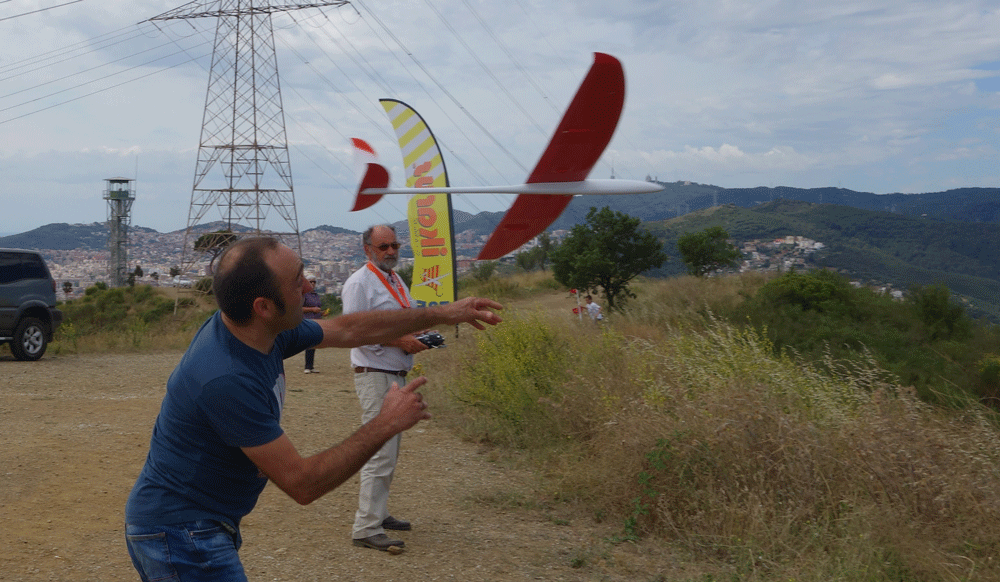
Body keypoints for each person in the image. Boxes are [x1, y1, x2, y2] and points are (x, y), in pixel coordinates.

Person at [124, 236, 502, 581]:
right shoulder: (225, 378)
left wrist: (443, 313)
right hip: (181, 531)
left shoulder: (257, 330)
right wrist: (385, 423)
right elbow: (302, 483)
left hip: (195, 523)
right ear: (263, 307)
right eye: (297, 281)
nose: (308, 288)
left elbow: (350, 329)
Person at [341, 224, 434, 551]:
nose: (391, 251)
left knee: (390, 450)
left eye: (394, 245)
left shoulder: (394, 278)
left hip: (395, 373)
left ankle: (378, 513)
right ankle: (366, 527)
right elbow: (352, 332)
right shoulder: (359, 283)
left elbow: (399, 321)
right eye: (383, 247)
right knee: (380, 451)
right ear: (367, 249)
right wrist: (400, 341)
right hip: (375, 373)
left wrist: (417, 337)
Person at [302, 274, 322, 373]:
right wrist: (312, 309)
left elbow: (317, 308)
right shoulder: (304, 295)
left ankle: (310, 366)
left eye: (314, 282)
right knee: (309, 344)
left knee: (314, 344)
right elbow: (300, 308)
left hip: (316, 321)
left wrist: (322, 313)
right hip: (307, 321)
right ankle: (307, 366)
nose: (313, 283)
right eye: (311, 281)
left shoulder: (316, 295)